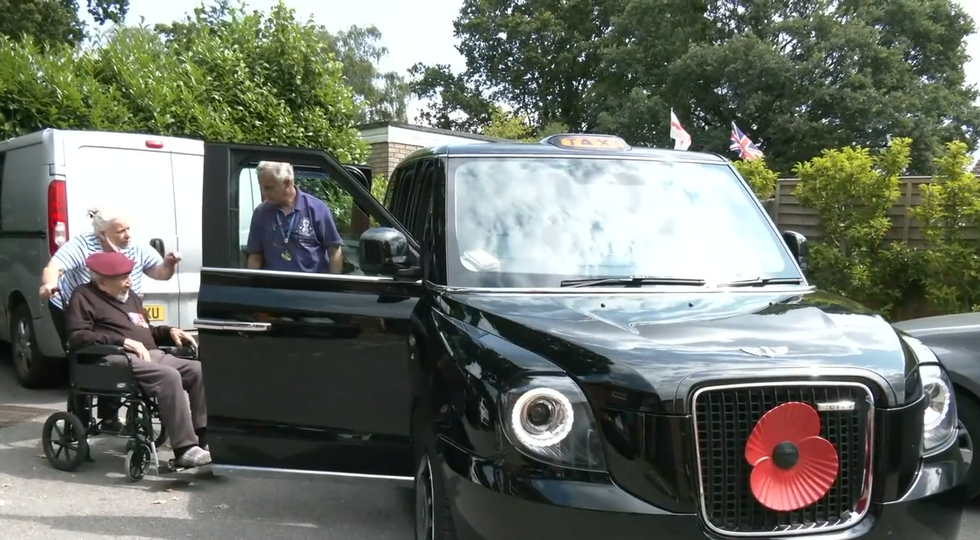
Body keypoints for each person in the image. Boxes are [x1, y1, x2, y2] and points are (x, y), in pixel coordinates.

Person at [39, 206, 181, 431]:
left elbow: (159, 272)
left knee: (119, 353)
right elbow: (54, 266)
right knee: (85, 357)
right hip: (79, 305)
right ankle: (80, 420)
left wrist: (169, 265)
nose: (128, 235)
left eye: (128, 229)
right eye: (120, 231)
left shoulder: (134, 246)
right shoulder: (83, 246)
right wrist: (49, 285)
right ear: (102, 233)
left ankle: (109, 417)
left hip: (119, 307)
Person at [65, 251, 210, 468]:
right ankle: (185, 449)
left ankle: (206, 439)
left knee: (198, 370)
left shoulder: (129, 295)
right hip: (112, 358)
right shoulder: (83, 296)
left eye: (129, 276)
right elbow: (78, 337)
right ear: (103, 283)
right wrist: (122, 341)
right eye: (123, 278)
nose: (129, 282)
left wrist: (168, 330)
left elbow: (144, 329)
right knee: (168, 376)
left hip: (150, 355)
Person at [245, 161, 344, 273]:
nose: (264, 193)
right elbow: (255, 256)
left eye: (269, 188)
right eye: (262, 188)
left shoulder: (317, 208)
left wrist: (333, 286)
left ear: (287, 183)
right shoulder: (261, 212)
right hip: (273, 287)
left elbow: (334, 251)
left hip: (311, 287)